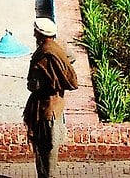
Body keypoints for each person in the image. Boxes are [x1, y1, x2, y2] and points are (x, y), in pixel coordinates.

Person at [24, 17, 78, 178]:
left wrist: (46, 79)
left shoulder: (45, 55)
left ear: (40, 34)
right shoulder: (59, 46)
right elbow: (71, 59)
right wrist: (57, 75)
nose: (34, 34)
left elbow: (34, 85)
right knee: (48, 146)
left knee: (46, 147)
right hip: (57, 105)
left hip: (46, 109)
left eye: (36, 31)